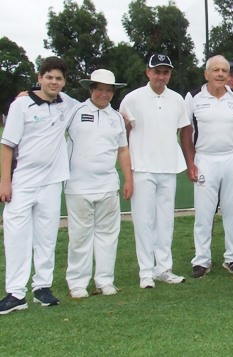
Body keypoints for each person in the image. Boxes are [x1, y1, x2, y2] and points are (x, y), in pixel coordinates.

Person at [0, 56, 78, 314]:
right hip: (22, 182)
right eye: (49, 77)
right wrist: (5, 182)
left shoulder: (66, 103)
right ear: (39, 78)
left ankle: (42, 287)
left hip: (52, 183)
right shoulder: (21, 105)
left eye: (59, 78)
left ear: (64, 82)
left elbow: (94, 104)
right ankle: (15, 292)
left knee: (46, 237)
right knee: (17, 237)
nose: (54, 82)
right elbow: (7, 145)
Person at [119, 53, 190, 288]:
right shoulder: (132, 99)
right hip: (142, 168)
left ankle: (164, 268)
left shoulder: (177, 99)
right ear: (148, 72)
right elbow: (124, 138)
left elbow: (184, 131)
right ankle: (145, 273)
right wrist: (127, 173)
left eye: (165, 72)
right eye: (157, 71)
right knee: (143, 221)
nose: (161, 76)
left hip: (168, 167)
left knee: (165, 221)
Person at [64, 69, 133, 298]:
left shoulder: (116, 118)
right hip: (78, 186)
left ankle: (104, 280)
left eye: (108, 90)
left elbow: (123, 150)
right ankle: (77, 282)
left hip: (107, 185)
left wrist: (128, 179)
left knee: (107, 234)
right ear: (91, 89)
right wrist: (29, 93)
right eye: (100, 89)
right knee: (80, 235)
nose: (104, 94)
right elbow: (50, 100)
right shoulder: (75, 111)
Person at [183, 55, 233, 277]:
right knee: (204, 213)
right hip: (204, 159)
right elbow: (185, 131)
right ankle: (201, 261)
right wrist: (190, 163)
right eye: (216, 70)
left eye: (224, 70)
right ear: (206, 74)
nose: (221, 74)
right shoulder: (193, 97)